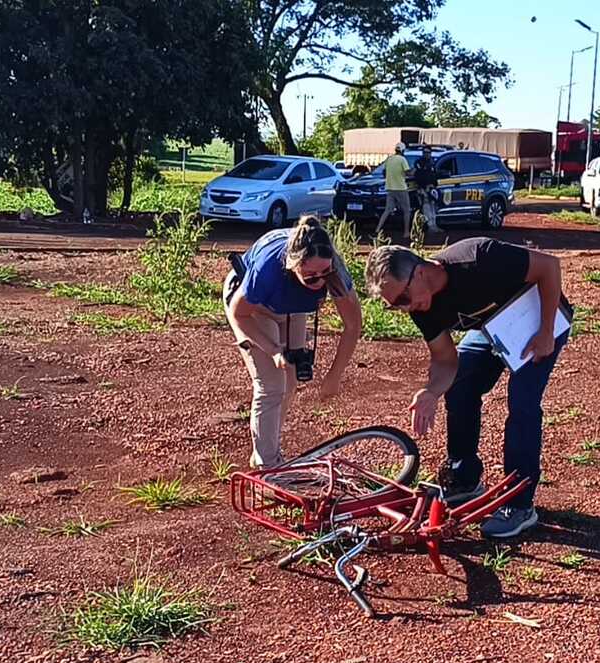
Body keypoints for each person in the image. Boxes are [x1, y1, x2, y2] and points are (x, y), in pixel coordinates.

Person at [363, 239, 571, 539]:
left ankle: (519, 503)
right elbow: (446, 360)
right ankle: (464, 478)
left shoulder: (478, 258)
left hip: (537, 316)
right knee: (460, 386)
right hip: (491, 329)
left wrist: (546, 331)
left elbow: (549, 266)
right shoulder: (422, 307)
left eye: (403, 297)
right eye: (395, 304)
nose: (404, 307)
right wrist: (431, 391)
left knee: (522, 402)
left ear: (420, 272)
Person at [223, 215, 363, 468]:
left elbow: (353, 325)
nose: (319, 280)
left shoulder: (334, 272)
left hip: (292, 307)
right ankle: (268, 468)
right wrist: (274, 350)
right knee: (271, 385)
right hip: (252, 308)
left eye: (325, 272)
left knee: (290, 381)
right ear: (292, 264)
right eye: (310, 276)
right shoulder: (269, 269)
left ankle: (268, 451)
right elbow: (238, 313)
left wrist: (334, 375)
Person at [375, 143, 413, 240]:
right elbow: (408, 172)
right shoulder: (402, 159)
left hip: (390, 188)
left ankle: (377, 229)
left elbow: (384, 172)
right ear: (403, 151)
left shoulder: (389, 159)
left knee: (387, 210)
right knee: (407, 210)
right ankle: (406, 232)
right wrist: (414, 171)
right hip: (401, 188)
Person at [412, 150, 441, 234]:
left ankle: (434, 225)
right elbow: (418, 176)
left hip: (432, 188)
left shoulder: (432, 162)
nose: (427, 154)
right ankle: (430, 226)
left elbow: (434, 175)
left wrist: (434, 185)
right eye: (425, 152)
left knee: (433, 207)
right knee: (426, 207)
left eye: (428, 152)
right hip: (423, 189)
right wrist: (423, 187)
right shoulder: (419, 163)